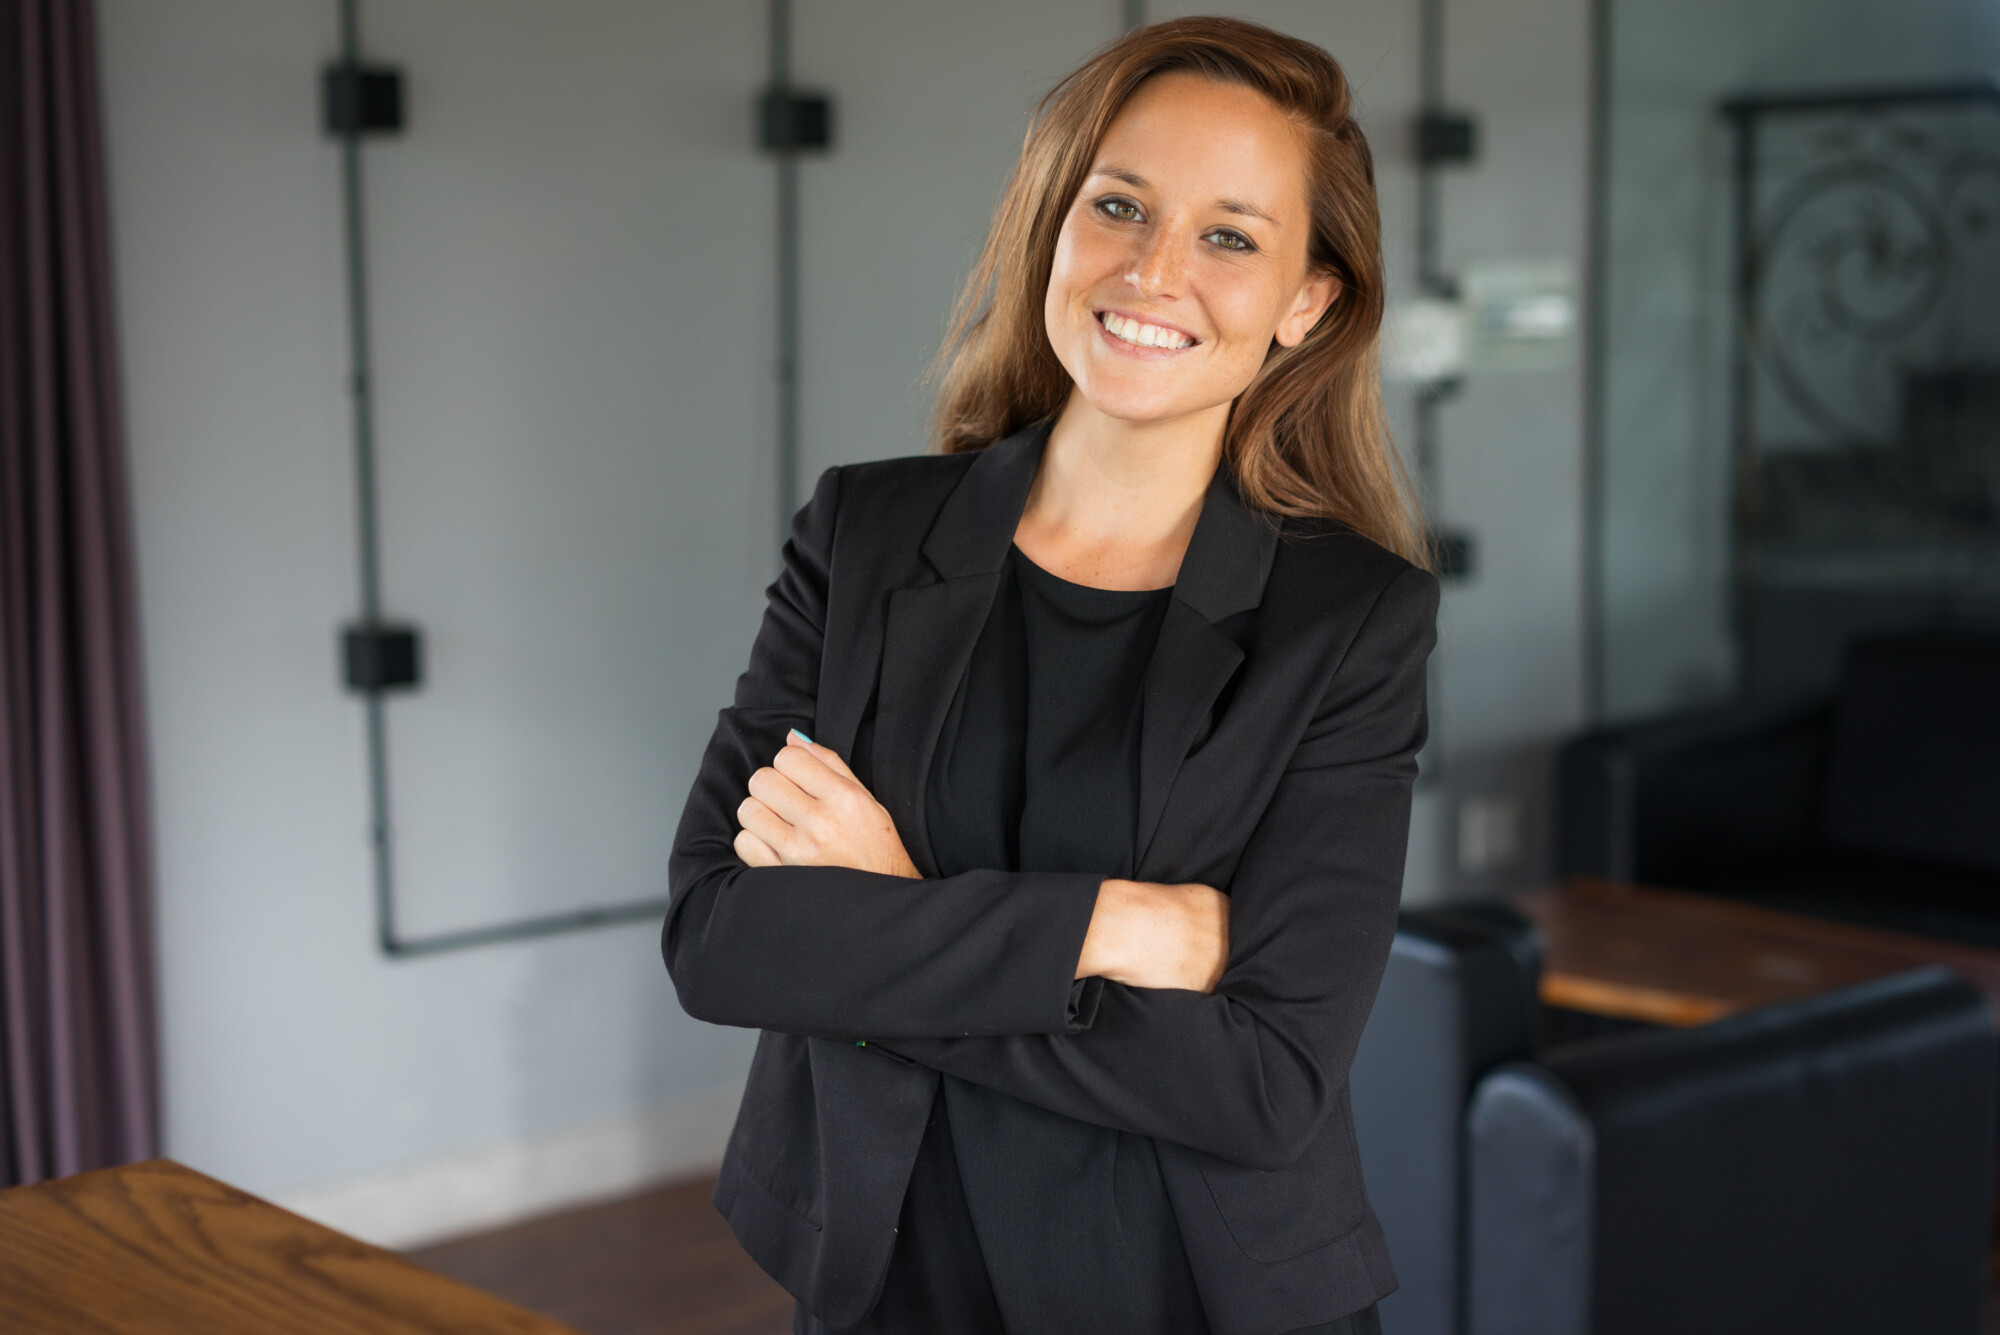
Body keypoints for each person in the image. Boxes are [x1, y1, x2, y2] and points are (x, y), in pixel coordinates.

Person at [664, 16, 1437, 1334]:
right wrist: (1111, 927)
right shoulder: (862, 534)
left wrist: (889, 917)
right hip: (889, 1268)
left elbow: (1266, 1077)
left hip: (1191, 1289)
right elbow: (722, 940)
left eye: (1231, 236)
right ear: (1054, 221)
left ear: (1307, 301)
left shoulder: (1350, 619)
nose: (1153, 271)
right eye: (1120, 205)